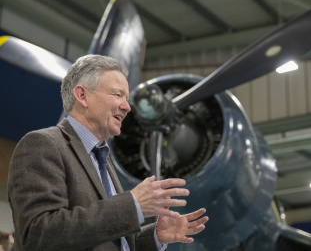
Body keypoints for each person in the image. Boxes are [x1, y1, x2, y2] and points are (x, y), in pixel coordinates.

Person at [8, 55, 208, 251]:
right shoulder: (42, 144)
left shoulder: (102, 157)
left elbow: (107, 240)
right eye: (117, 94)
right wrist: (131, 205)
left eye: (126, 98)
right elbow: (38, 234)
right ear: (82, 95)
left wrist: (155, 236)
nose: (127, 107)